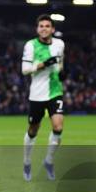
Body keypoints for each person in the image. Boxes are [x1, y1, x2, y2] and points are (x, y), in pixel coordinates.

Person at [21, 14, 65, 181]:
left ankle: (49, 161)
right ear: (37, 29)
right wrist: (45, 63)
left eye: (47, 26)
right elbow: (24, 70)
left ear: (53, 29)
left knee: (58, 127)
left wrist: (61, 71)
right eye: (41, 26)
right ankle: (26, 161)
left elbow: (61, 61)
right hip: (37, 94)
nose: (44, 28)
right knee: (33, 130)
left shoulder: (60, 44)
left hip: (55, 91)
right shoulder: (31, 45)